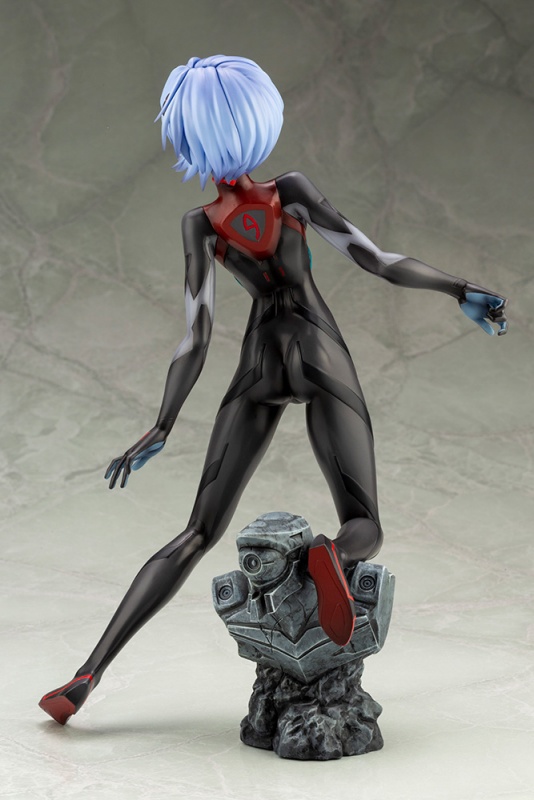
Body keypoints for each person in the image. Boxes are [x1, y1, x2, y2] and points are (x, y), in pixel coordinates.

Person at [39, 55, 508, 726]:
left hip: (259, 362)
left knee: (196, 532)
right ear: (257, 118)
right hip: (318, 350)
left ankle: (88, 673)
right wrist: (459, 288)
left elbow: (195, 337)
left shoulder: (201, 225)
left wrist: (163, 424)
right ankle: (332, 556)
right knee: (365, 521)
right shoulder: (291, 192)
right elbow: (376, 260)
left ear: (188, 136)